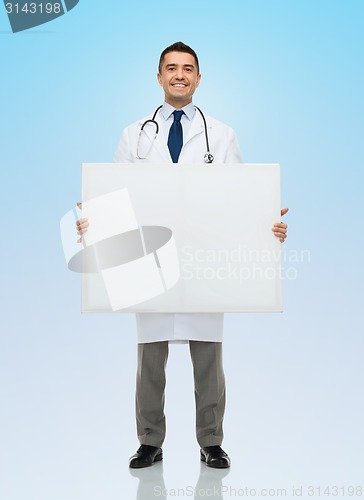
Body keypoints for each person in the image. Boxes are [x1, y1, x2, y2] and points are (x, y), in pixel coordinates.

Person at [76, 41, 288, 469]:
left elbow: (242, 198)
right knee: (150, 360)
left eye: (187, 68)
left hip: (204, 261)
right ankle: (149, 442)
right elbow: (113, 194)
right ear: (159, 77)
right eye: (171, 68)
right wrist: (91, 223)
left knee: (208, 357)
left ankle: (211, 441)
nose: (179, 75)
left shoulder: (222, 134)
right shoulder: (134, 134)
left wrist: (268, 226)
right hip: (149, 261)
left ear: (198, 78)